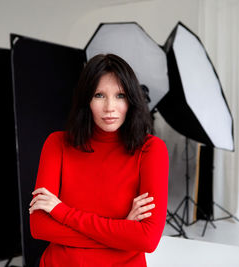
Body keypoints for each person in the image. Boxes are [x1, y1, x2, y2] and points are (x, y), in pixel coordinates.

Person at [29, 54, 169, 267]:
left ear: (131, 100)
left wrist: (62, 212)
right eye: (99, 95)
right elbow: (40, 227)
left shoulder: (151, 149)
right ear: (87, 100)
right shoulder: (56, 143)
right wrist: (121, 231)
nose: (110, 107)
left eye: (120, 95)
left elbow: (147, 239)